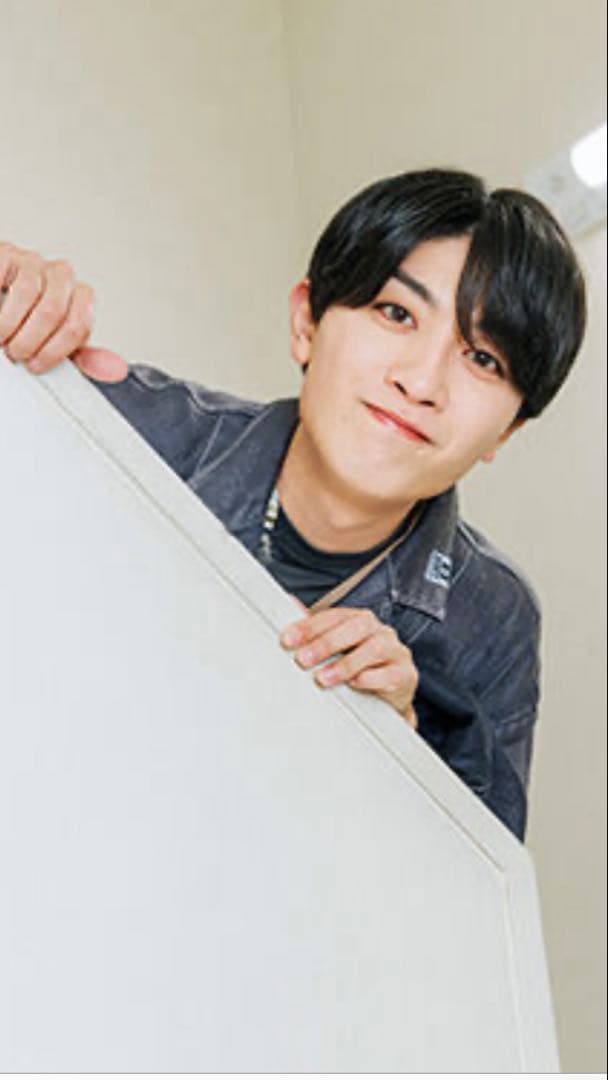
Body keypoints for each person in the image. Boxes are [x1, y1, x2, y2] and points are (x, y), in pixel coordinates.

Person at [0, 168, 586, 841]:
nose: (421, 382)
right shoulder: (142, 429)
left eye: (482, 359)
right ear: (307, 322)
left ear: (506, 433)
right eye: (397, 313)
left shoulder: (493, 614)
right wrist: (18, 307)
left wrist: (398, 742)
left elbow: (480, 879)